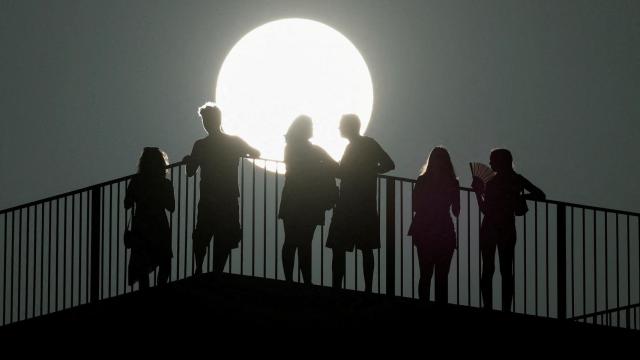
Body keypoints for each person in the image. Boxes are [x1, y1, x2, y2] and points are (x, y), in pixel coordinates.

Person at [184, 102, 260, 276]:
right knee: (213, 234)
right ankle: (208, 269)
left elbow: (189, 172)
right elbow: (255, 153)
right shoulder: (230, 142)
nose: (206, 123)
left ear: (216, 120)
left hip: (216, 195)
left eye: (207, 119)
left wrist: (190, 160)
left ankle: (203, 269)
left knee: (208, 233)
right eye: (204, 120)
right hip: (222, 195)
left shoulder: (203, 145)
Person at [327, 114, 395, 293]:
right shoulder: (369, 144)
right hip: (365, 204)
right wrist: (371, 171)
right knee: (365, 248)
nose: (339, 128)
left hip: (349, 204)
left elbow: (344, 173)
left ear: (349, 127)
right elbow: (389, 164)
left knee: (340, 247)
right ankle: (368, 288)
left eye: (341, 125)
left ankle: (337, 287)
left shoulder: (355, 146)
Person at [471, 148, 545, 311]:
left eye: (492, 160)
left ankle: (488, 305)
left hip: (490, 227)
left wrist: (478, 194)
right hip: (506, 227)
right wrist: (517, 197)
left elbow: (485, 209)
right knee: (505, 270)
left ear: (500, 161)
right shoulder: (516, 179)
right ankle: (506, 308)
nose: (489, 163)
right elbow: (540, 194)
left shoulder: (492, 182)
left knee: (488, 268)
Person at [278, 115, 339, 284]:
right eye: (310, 126)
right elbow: (336, 168)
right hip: (310, 201)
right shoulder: (314, 151)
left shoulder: (290, 148)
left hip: (293, 198)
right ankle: (305, 281)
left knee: (291, 240)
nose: (312, 128)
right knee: (303, 242)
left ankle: (290, 280)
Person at [408, 146, 459, 303]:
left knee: (427, 273)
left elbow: (414, 205)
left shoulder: (423, 180)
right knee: (438, 275)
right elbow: (457, 211)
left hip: (425, 228)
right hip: (441, 229)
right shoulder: (452, 182)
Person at [124, 147, 175, 289]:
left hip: (142, 223)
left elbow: (127, 203)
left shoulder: (137, 181)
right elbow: (171, 207)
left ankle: (146, 293)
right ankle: (161, 288)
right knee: (164, 259)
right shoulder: (165, 183)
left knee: (143, 261)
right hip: (159, 223)